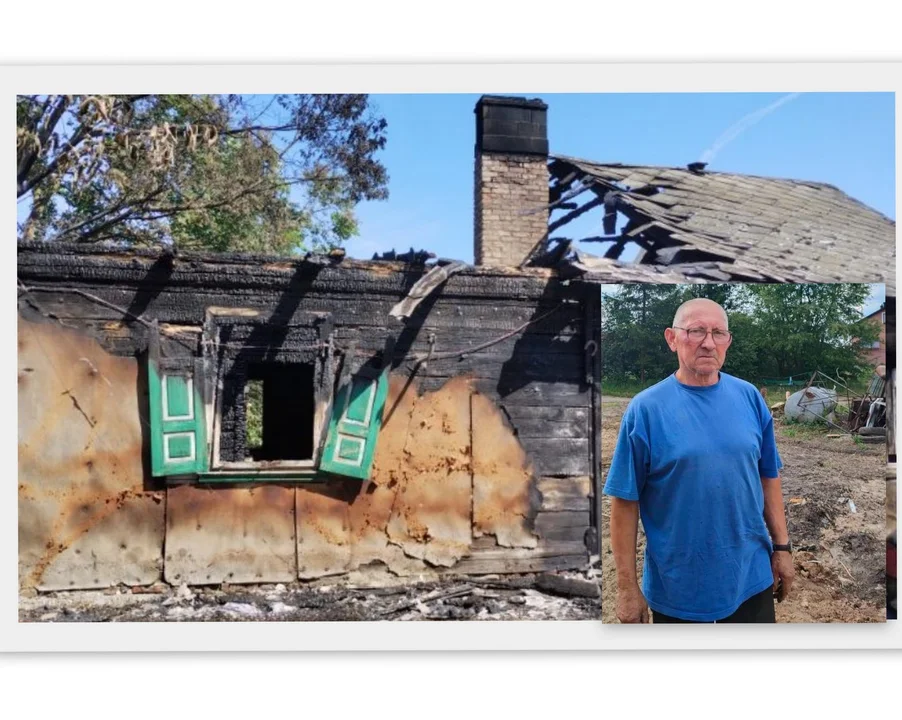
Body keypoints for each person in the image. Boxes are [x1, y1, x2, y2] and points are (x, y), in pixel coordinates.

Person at [605, 298, 794, 623]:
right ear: (672, 338)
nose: (708, 342)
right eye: (696, 331)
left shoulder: (749, 397)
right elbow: (624, 502)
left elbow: (768, 476)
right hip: (678, 590)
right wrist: (626, 588)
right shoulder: (645, 410)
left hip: (751, 578)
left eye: (718, 333)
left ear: (728, 342)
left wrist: (783, 547)